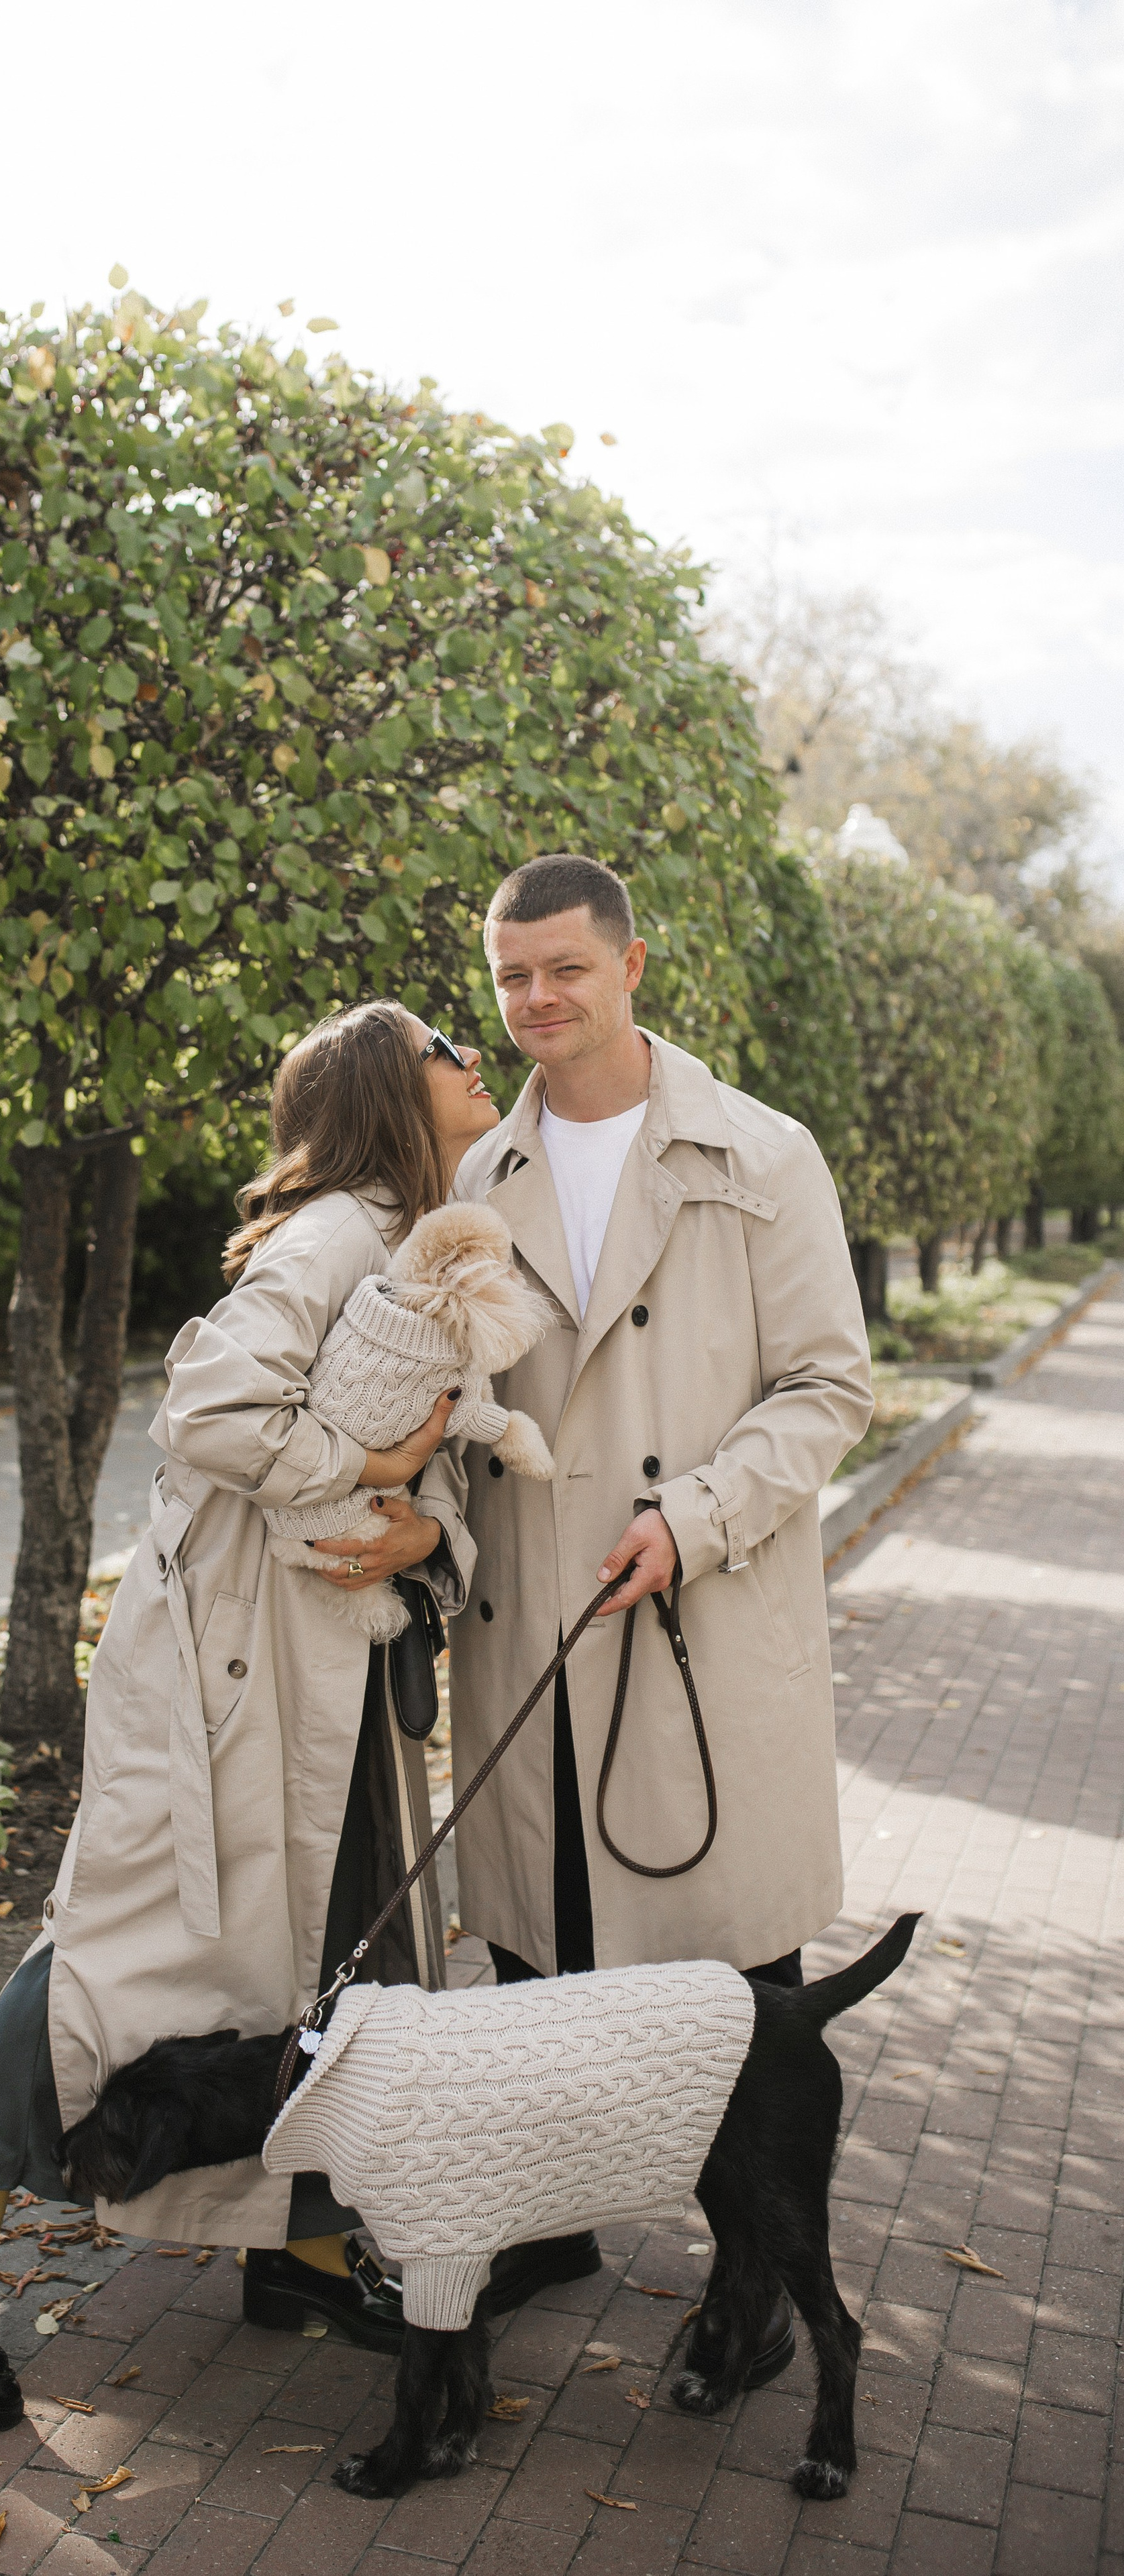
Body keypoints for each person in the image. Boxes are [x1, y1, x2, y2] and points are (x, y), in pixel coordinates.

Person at [0, 1000, 498, 2426]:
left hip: (322, 1662)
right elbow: (208, 1414)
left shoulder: (411, 1231)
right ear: (385, 1094)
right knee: (114, 1959)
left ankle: (303, 2244)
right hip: (228, 1672)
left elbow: (425, 1457)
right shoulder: (337, 1230)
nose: (475, 1059)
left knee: (346, 1958)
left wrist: (423, 1531)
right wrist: (374, 1461)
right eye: (445, 1043)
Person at [442, 853, 872, 2367]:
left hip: (686, 1626)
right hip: (525, 1643)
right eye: (509, 976)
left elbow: (829, 1386)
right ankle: (544, 2220)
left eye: (562, 968)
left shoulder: (760, 1155)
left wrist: (688, 1519)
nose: (535, 1000)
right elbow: (457, 1407)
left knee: (721, 1990)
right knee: (531, 1954)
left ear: (631, 966)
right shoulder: (475, 1180)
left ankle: (748, 2289)